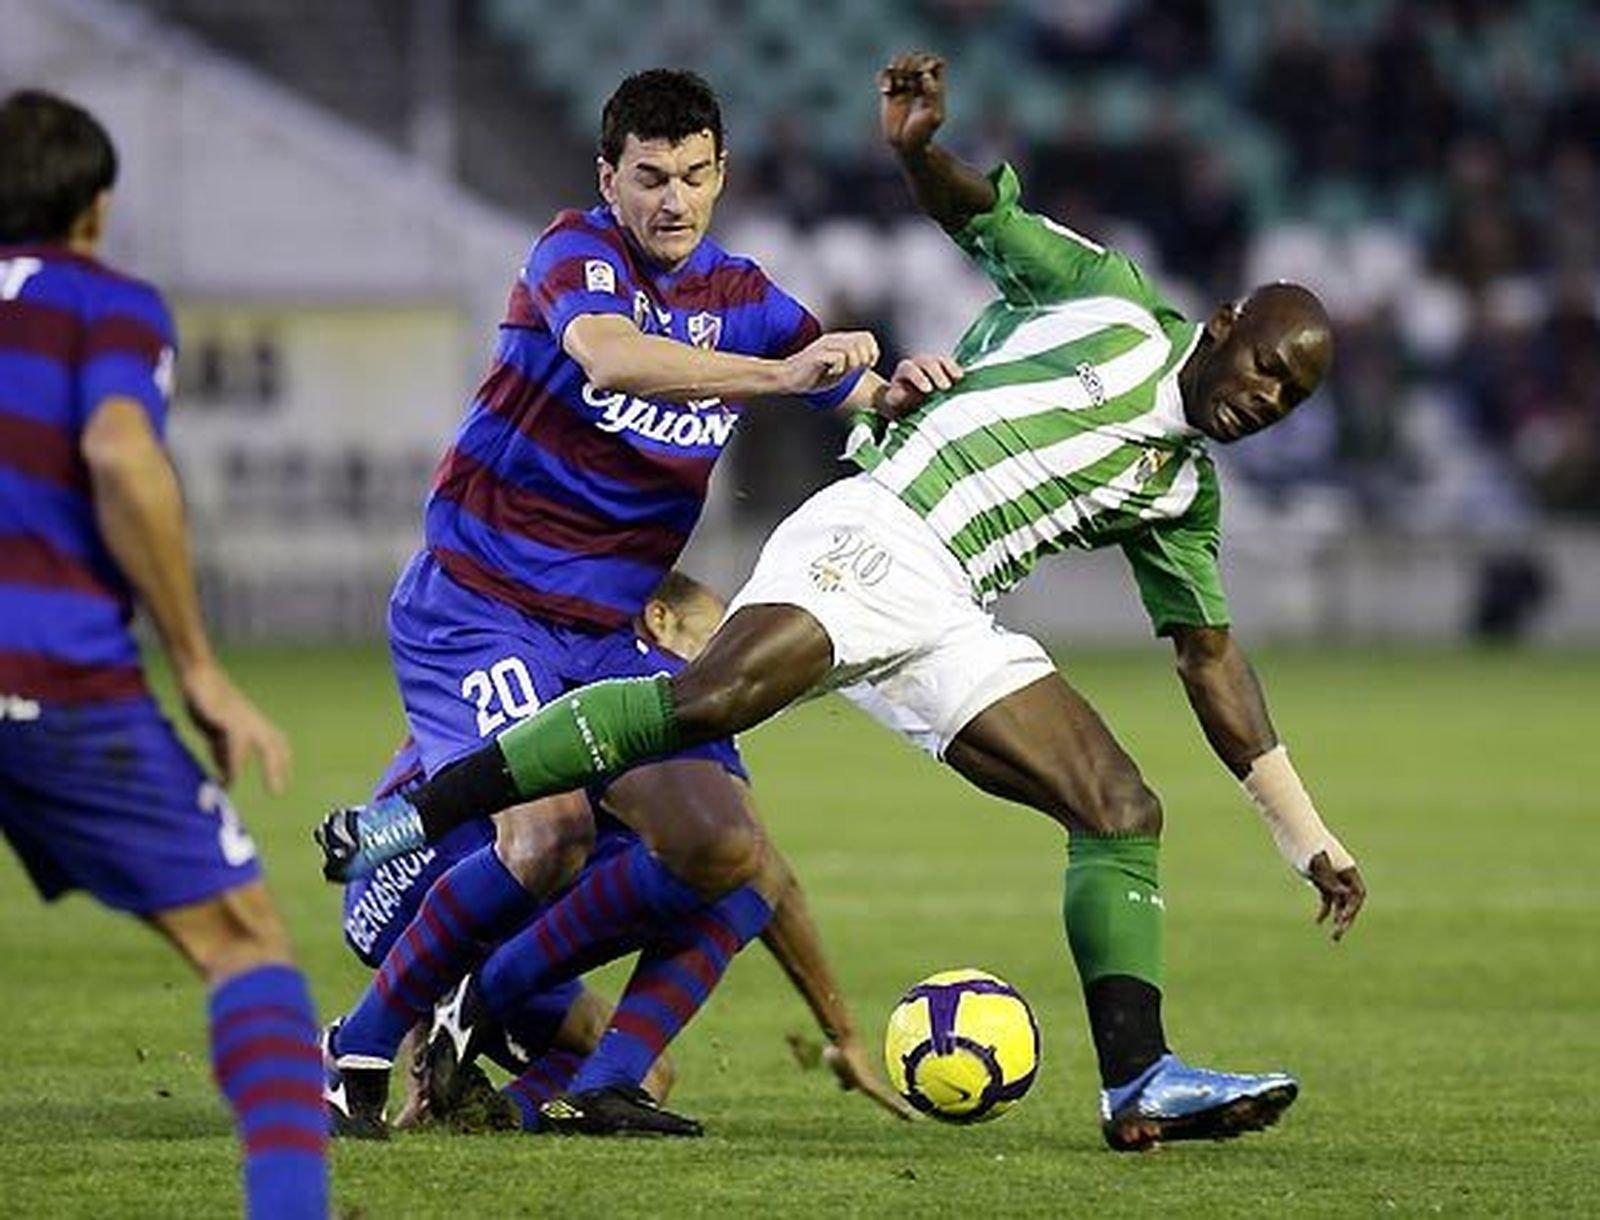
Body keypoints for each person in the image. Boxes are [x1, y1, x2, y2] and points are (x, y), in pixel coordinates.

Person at [321, 53, 1371, 1152]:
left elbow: (1210, 659)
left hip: (915, 609)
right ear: (1224, 322)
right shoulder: (1103, 303)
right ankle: (403, 869)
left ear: (720, 175)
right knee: (619, 775)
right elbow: (627, 353)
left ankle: (1137, 1078)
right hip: (672, 571)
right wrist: (918, 154)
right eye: (1265, 367)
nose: (1267, 398)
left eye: (1290, 396)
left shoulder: (1176, 491)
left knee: (1101, 806)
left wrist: (1304, 835)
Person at [316, 68, 958, 1138]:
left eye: (694, 177)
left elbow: (850, 386)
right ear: (607, 176)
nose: (672, 200)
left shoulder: (743, 295)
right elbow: (617, 358)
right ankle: (362, 1043)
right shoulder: (573, 255)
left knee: (723, 844)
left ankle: (517, 1031)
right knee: (548, 831)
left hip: (607, 638)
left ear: (721, 176)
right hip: (478, 606)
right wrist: (779, 376)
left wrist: (899, 384)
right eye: (650, 177)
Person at [0, 91, 327, 1213]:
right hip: (49, 675)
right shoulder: (106, 304)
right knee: (247, 941)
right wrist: (197, 666)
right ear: (96, 209)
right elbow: (121, 454)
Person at [337, 573, 908, 1137]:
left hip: (389, 902)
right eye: (718, 638)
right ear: (660, 619)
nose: (731, 662)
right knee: (733, 872)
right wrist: (844, 1034)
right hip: (480, 883)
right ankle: (494, 1012)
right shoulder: (654, 675)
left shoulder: (549, 659)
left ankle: (491, 1104)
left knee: (654, 1070)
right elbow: (766, 877)